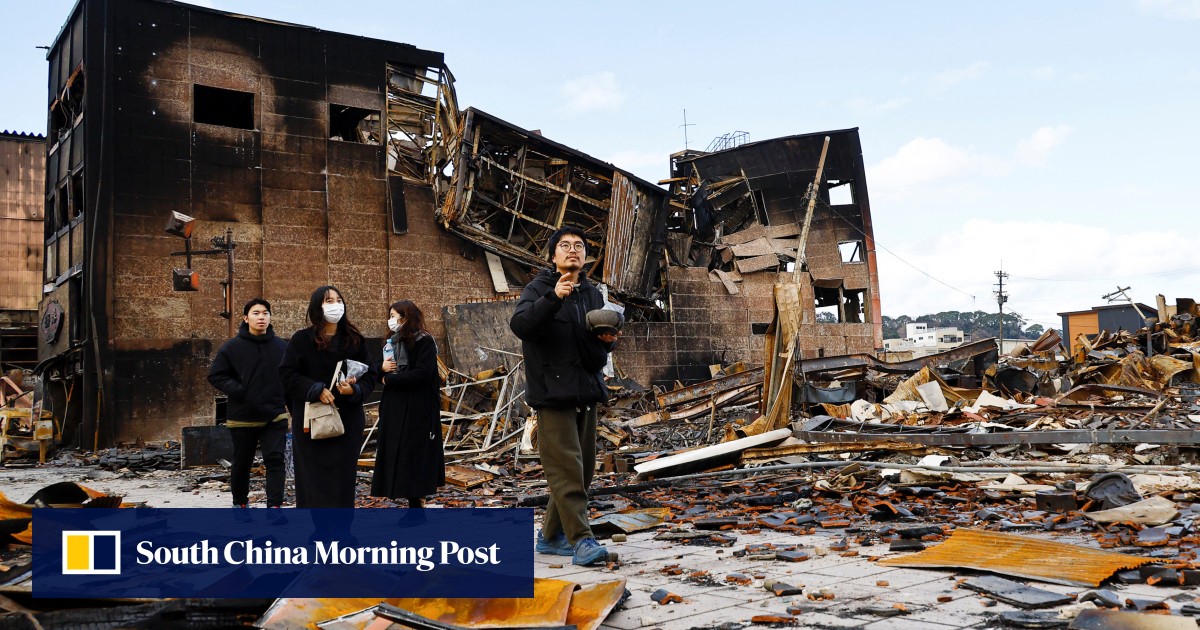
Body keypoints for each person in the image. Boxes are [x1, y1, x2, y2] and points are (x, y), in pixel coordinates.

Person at [509, 226, 619, 567]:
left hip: (585, 388)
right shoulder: (538, 288)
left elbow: (597, 347)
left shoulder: (591, 294)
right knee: (566, 469)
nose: (573, 250)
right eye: (565, 246)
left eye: (580, 245)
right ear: (553, 255)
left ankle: (550, 536)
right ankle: (582, 541)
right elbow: (522, 327)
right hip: (553, 393)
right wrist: (553, 297)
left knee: (582, 471)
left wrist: (607, 341)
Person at [279, 285, 378, 508]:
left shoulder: (355, 341)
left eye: (338, 300)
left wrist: (354, 390)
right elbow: (286, 374)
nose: (335, 305)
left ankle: (342, 533)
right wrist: (314, 389)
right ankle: (318, 533)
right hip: (311, 421)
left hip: (347, 421)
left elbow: (370, 375)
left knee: (342, 479)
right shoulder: (301, 340)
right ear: (317, 307)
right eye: (328, 301)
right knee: (313, 479)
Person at [207, 298, 289, 509]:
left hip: (275, 415)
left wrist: (292, 407)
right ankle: (240, 505)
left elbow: (290, 377)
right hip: (243, 416)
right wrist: (240, 390)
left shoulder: (281, 347)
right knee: (242, 463)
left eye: (265, 313)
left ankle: (275, 507)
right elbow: (216, 376)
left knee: (276, 461)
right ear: (246, 318)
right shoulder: (232, 347)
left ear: (270, 317)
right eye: (256, 313)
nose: (261, 317)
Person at [370, 300, 445, 509]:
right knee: (398, 452)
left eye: (395, 316)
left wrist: (390, 380)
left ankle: (416, 503)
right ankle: (402, 496)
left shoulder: (424, 341)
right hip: (395, 406)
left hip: (417, 408)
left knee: (414, 454)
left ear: (407, 317)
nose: (392, 320)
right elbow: (377, 369)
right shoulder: (391, 342)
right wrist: (382, 369)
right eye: (391, 315)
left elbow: (423, 373)